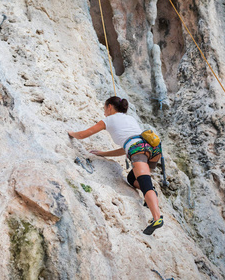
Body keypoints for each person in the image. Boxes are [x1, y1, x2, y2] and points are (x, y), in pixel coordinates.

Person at [68, 96, 164, 235]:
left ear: (110, 107)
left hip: (138, 150)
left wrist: (70, 133)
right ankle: (151, 193)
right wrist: (104, 153)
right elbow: (127, 146)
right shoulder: (130, 119)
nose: (104, 112)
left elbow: (83, 135)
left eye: (104, 108)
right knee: (132, 179)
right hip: (153, 149)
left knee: (145, 183)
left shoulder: (108, 120)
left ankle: (157, 218)